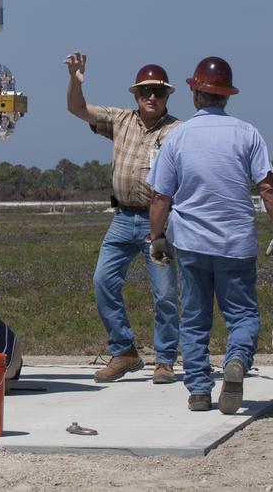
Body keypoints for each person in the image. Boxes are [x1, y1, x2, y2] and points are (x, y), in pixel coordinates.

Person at [147, 56, 273, 414]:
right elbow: (269, 189)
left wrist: (157, 238)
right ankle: (237, 362)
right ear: (226, 96)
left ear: (195, 94)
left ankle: (199, 390)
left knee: (195, 318)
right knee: (242, 315)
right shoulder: (247, 133)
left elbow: (161, 197)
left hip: (192, 242)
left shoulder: (177, 136)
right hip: (236, 241)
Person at [64, 52, 181, 384]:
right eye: (145, 91)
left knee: (164, 293)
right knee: (103, 281)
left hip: (158, 222)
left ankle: (165, 360)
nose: (152, 97)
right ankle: (124, 351)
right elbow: (77, 109)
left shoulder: (178, 132)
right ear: (136, 95)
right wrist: (75, 79)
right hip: (122, 218)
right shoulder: (120, 120)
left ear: (168, 95)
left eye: (158, 91)